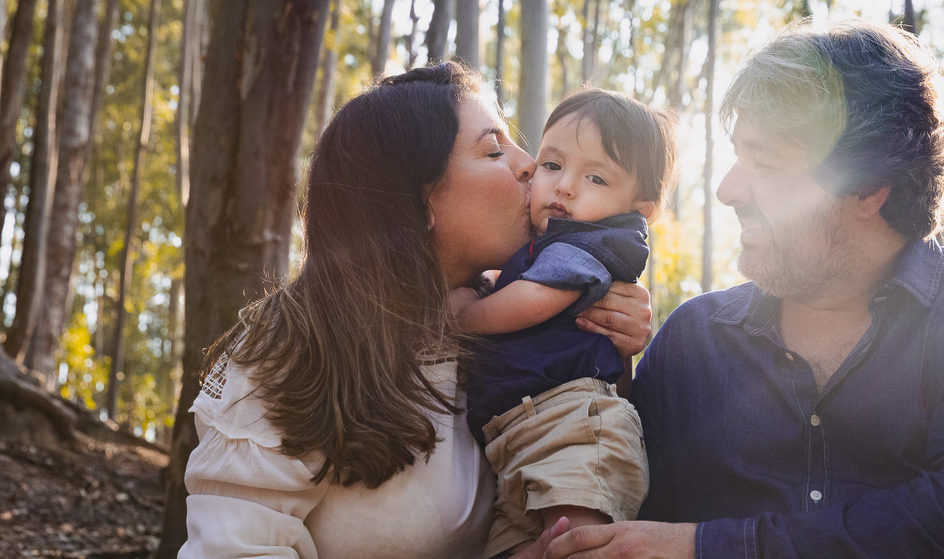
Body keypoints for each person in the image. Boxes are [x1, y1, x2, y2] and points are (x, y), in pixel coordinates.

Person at [545, 18, 944, 559]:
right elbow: (620, 512)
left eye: (765, 163)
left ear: (868, 186)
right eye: (738, 156)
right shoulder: (692, 341)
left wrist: (705, 548)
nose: (728, 190)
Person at [178, 63, 652, 559]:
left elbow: (587, 456)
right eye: (494, 150)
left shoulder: (504, 321)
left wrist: (612, 342)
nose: (530, 165)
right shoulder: (294, 346)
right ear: (418, 200)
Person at [450, 88, 678, 558]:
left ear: (637, 212)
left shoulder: (588, 243)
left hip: (575, 426)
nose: (565, 186)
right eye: (552, 165)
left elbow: (534, 300)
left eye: (596, 177)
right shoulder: (543, 245)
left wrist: (464, 315)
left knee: (577, 542)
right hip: (521, 438)